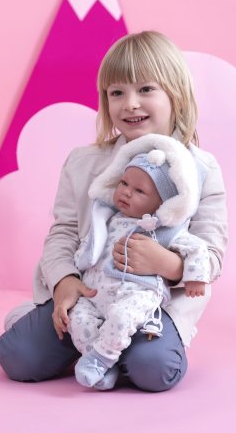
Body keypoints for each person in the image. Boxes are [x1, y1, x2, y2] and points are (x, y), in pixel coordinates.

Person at [0, 30, 228, 392]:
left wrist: (166, 264)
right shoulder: (84, 162)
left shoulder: (202, 169)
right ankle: (76, 339)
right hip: (89, 294)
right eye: (117, 92)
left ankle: (113, 352)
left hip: (148, 303)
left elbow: (211, 253)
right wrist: (64, 280)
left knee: (153, 370)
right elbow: (64, 231)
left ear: (176, 94)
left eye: (145, 89)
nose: (130, 104)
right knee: (18, 356)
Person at [69, 134, 211, 390]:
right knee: (78, 320)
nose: (126, 192)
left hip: (134, 294)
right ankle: (99, 363)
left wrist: (195, 278)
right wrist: (75, 269)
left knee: (122, 317)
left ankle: (102, 357)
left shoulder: (165, 229)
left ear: (160, 203)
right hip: (94, 293)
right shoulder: (108, 217)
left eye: (139, 191)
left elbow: (198, 248)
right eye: (124, 183)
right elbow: (90, 246)